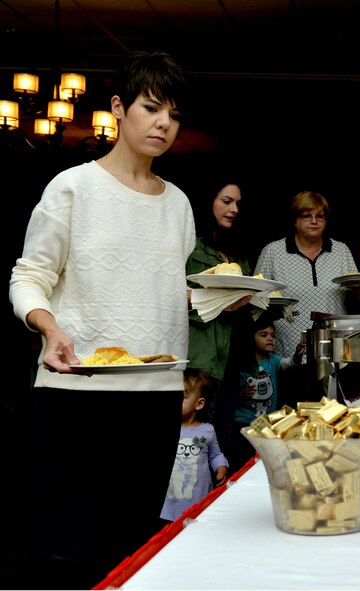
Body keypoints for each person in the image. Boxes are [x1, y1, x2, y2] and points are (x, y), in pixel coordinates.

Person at [8, 50, 194, 587]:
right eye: (152, 107)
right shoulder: (73, 187)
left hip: (157, 395)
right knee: (69, 549)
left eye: (175, 115)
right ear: (118, 107)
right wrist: (48, 326)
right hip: (75, 394)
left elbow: (159, 287)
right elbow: (29, 276)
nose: (164, 123)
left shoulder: (179, 203)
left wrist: (206, 300)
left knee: (134, 545)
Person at [254, 190, 357, 360]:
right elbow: (256, 301)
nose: (314, 221)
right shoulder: (273, 252)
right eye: (307, 216)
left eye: (320, 216)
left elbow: (356, 295)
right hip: (286, 352)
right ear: (295, 220)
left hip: (334, 348)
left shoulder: (341, 251)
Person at [185, 176, 253, 432]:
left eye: (237, 203)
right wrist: (215, 301)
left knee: (222, 438)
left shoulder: (238, 251)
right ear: (208, 202)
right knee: (195, 435)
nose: (234, 209)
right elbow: (169, 295)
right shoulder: (190, 245)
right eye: (226, 201)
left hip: (234, 356)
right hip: (200, 357)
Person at [225, 310, 300, 473]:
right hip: (244, 423)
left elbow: (288, 364)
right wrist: (242, 394)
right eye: (264, 335)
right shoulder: (243, 364)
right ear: (251, 337)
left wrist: (297, 355)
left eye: (272, 336)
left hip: (266, 423)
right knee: (243, 463)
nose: (270, 339)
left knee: (264, 461)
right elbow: (231, 394)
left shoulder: (272, 360)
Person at [161, 368, 229, 522]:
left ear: (199, 404)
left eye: (182, 397)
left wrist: (221, 467)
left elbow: (215, 454)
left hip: (197, 496)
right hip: (169, 501)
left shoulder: (207, 430)